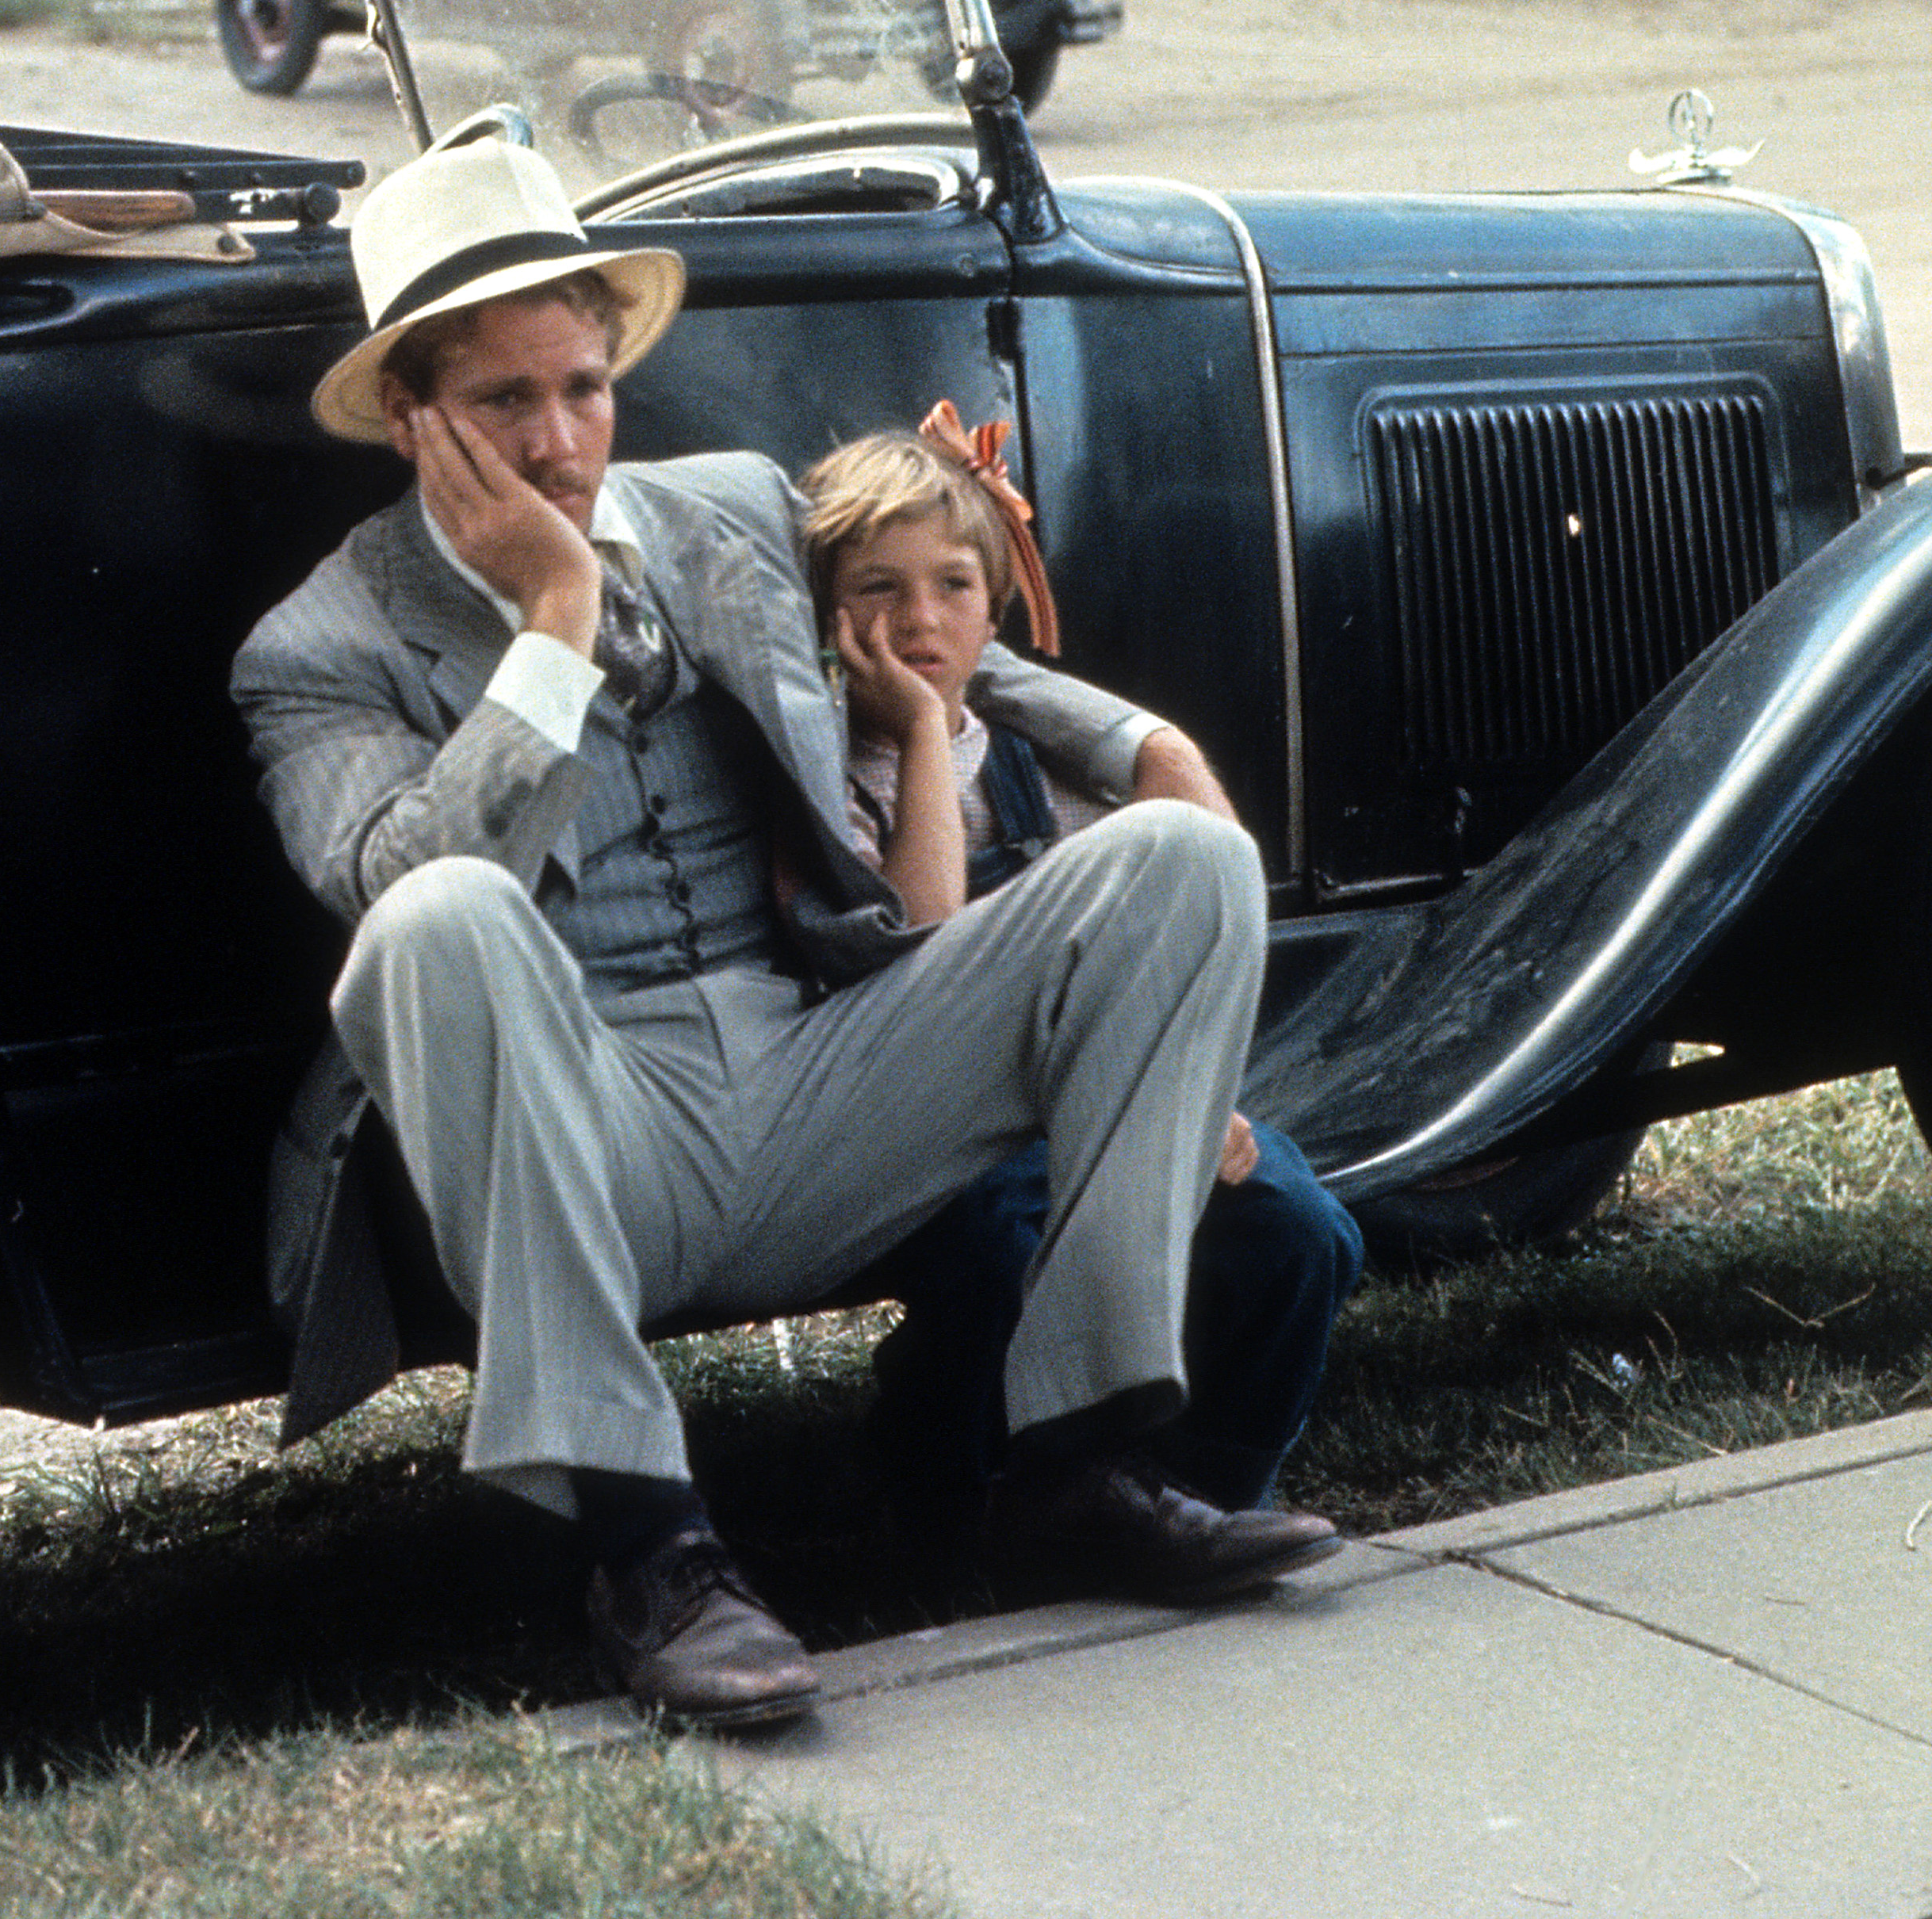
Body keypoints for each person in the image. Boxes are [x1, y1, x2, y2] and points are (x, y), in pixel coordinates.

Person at [231, 127, 1341, 1731]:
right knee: (436, 921)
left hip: (820, 1060)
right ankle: (650, 1552)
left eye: (584, 387)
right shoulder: (316, 646)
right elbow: (389, 874)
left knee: (1177, 861)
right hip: (582, 1118)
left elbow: (932, 638)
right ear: (410, 413)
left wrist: (1129, 742)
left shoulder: (729, 508)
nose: (558, 443)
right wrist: (548, 622)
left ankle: (1074, 1460)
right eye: (501, 402)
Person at [798, 426, 1362, 1535]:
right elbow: (925, 956)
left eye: (953, 585)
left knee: (1298, 1226)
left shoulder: (1032, 759)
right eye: (879, 589)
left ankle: (1209, 1481)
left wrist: (1191, 1096)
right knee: (1005, 1235)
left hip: (1073, 1102)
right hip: (914, 1129)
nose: (919, 620)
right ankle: (973, 1474)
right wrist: (917, 728)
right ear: (828, 614)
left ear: (994, 609)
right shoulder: (821, 779)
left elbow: (1170, 931)